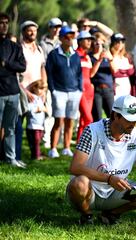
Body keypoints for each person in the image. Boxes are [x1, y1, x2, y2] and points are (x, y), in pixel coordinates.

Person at [66, 95, 136, 225]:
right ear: (115, 116)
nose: (133, 124)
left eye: (135, 119)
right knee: (79, 183)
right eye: (129, 119)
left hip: (118, 192)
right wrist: (109, 178)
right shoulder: (92, 131)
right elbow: (75, 167)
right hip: (89, 190)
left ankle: (112, 213)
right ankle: (87, 215)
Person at [46, 26, 82, 158]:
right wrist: (53, 90)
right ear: (61, 38)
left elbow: (79, 73)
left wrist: (79, 90)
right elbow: (49, 73)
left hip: (74, 92)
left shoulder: (75, 55)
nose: (70, 39)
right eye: (67, 37)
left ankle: (66, 148)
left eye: (72, 37)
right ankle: (53, 148)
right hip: (59, 92)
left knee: (70, 121)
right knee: (58, 120)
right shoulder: (54, 54)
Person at [16, 20, 47, 161]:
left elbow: (42, 68)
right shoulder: (19, 48)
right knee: (18, 124)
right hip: (22, 91)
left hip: (38, 93)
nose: (33, 33)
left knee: (35, 125)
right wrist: (26, 92)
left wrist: (44, 89)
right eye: (29, 30)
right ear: (23, 32)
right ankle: (15, 155)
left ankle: (35, 154)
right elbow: (16, 74)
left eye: (34, 30)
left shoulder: (39, 49)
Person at [0, 12, 27, 168]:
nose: (4, 25)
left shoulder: (14, 46)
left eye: (6, 23)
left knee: (10, 128)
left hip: (13, 91)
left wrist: (6, 64)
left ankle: (10, 158)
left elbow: (22, 66)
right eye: (1, 22)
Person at [40, 17, 62, 149]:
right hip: (49, 80)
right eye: (54, 27)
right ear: (49, 28)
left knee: (60, 112)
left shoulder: (62, 42)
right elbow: (43, 64)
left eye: (59, 27)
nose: (57, 29)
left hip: (61, 82)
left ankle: (58, 139)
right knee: (49, 111)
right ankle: (46, 139)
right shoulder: (43, 43)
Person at [90, 32, 115, 122]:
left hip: (108, 89)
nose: (99, 46)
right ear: (93, 44)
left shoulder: (108, 56)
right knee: (97, 118)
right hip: (96, 90)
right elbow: (91, 74)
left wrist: (111, 59)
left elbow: (115, 71)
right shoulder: (90, 57)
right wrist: (99, 60)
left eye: (102, 43)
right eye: (97, 43)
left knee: (112, 117)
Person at [26, 80, 48, 160]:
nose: (42, 91)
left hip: (40, 125)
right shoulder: (32, 98)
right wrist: (38, 109)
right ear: (34, 88)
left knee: (38, 141)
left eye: (44, 90)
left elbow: (44, 108)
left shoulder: (40, 99)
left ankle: (36, 154)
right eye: (40, 89)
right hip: (33, 125)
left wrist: (44, 109)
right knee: (35, 141)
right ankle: (36, 156)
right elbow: (28, 108)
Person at [110, 33, 135, 99]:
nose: (120, 43)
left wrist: (120, 70)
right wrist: (126, 70)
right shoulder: (110, 56)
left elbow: (131, 72)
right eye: (118, 41)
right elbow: (115, 73)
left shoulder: (126, 57)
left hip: (126, 85)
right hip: (116, 86)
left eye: (122, 41)